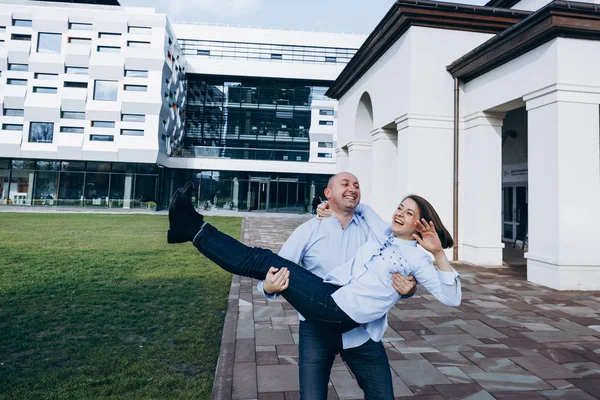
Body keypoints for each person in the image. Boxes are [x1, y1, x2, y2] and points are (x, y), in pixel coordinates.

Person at [166, 179, 462, 333]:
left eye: (409, 213)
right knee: (263, 260)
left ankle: (191, 228)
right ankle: (191, 227)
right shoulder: (381, 229)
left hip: (339, 311)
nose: (399, 213)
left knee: (261, 261)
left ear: (419, 225)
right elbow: (356, 205)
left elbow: (452, 298)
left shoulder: (417, 258)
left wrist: (438, 254)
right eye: (400, 207)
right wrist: (323, 204)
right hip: (331, 293)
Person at [259, 172, 415, 400]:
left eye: (356, 185)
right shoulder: (308, 230)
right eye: (345, 184)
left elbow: (399, 270)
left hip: (361, 329)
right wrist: (268, 288)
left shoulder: (373, 232)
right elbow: (276, 268)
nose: (352, 188)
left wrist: (409, 290)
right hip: (316, 330)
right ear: (328, 193)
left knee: (383, 396)